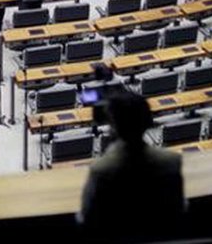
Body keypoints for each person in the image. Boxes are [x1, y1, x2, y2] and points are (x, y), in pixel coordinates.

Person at [79, 91, 185, 242]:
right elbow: (178, 211)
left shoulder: (101, 170)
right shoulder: (172, 162)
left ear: (113, 126)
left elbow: (87, 218)